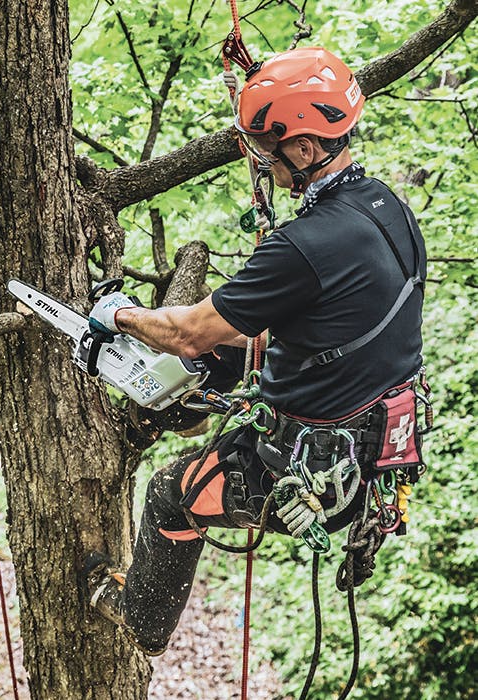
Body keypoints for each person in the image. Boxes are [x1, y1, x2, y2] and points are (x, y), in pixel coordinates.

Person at [83, 47, 427, 657]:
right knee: (213, 358)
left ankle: (141, 621)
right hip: (379, 432)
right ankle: (156, 412)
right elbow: (334, 315)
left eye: (267, 150)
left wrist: (122, 315)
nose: (262, 165)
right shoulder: (386, 206)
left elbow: (189, 330)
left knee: (170, 494)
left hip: (317, 466)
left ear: (303, 148)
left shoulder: (303, 245)